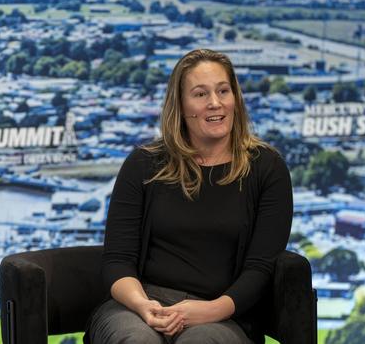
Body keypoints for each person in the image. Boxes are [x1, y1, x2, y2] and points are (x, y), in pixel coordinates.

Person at [88, 49, 292, 344]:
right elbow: (118, 261)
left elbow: (260, 269)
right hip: (140, 306)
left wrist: (210, 310)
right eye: (200, 94)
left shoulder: (267, 168)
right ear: (181, 106)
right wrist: (144, 305)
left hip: (222, 314)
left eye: (223, 90)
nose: (215, 102)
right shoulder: (143, 164)